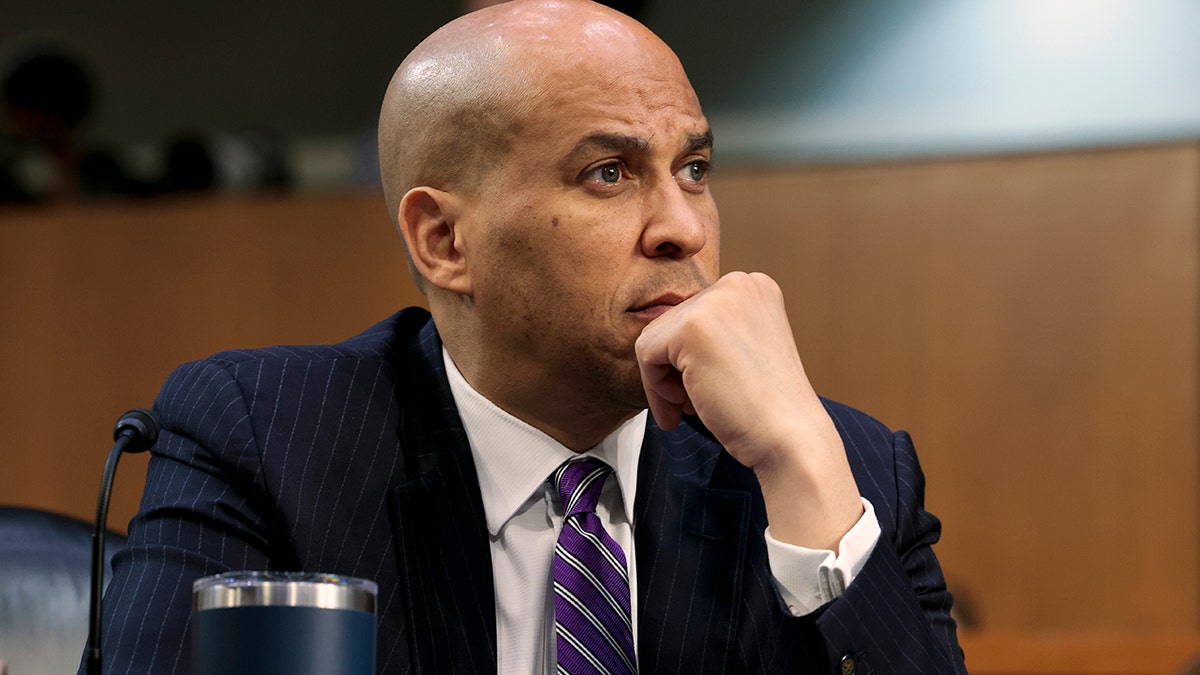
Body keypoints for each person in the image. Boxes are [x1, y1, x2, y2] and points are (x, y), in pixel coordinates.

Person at [89, 1, 966, 672]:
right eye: (608, 173)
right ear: (445, 240)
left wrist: (802, 468)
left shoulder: (840, 467)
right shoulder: (267, 438)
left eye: (694, 170)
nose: (683, 229)